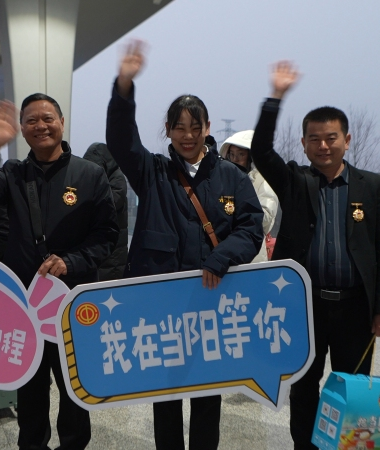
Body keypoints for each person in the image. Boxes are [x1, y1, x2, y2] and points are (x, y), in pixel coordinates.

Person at [107, 41, 264, 450]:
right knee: (166, 394)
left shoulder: (232, 177)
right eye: (179, 127)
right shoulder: (152, 171)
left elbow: (251, 228)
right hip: (163, 306)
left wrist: (220, 258)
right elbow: (121, 140)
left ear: (208, 128)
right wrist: (124, 88)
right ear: (168, 130)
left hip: (213, 301)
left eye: (196, 127)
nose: (188, 135)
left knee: (208, 395)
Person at [248, 62, 380, 449]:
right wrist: (275, 98)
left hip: (356, 309)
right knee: (303, 388)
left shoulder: (374, 187)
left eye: (331, 138)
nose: (323, 146)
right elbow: (261, 151)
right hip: (305, 307)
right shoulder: (295, 182)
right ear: (303, 144)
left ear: (347, 140)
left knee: (353, 389)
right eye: (314, 139)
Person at [0, 93, 119, 450]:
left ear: (61, 122)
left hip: (72, 305)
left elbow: (106, 236)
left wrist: (71, 262)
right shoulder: (12, 173)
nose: (40, 126)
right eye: (31, 120)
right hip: (26, 307)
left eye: (47, 118)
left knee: (74, 388)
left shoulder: (90, 175)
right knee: (30, 391)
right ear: (21, 128)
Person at [219, 130, 279, 262]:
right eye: (232, 154)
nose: (235, 159)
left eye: (241, 154)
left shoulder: (263, 181)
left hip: (251, 254)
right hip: (223, 253)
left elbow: (265, 219)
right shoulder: (224, 181)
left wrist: (235, 213)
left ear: (251, 157)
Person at [83, 142, 129, 280]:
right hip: (101, 251)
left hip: (113, 254)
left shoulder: (115, 178)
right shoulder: (109, 177)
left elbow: (111, 203)